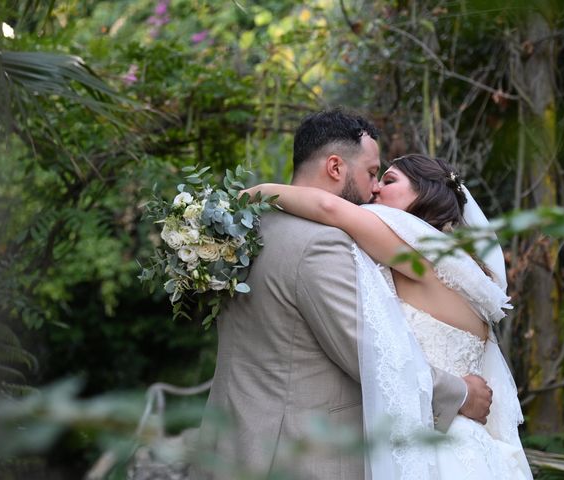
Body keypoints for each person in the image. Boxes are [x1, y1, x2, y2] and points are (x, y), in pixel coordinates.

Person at [190, 110, 492, 480]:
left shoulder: (243, 233)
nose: (373, 189)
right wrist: (460, 395)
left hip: (229, 444)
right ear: (335, 167)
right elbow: (371, 354)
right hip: (295, 457)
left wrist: (254, 195)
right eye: (370, 173)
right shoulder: (322, 244)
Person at [243, 153, 533, 479]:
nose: (376, 190)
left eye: (390, 180)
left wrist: (256, 192)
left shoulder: (419, 253)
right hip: (471, 447)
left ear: (425, 194)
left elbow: (329, 208)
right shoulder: (466, 272)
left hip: (437, 451)